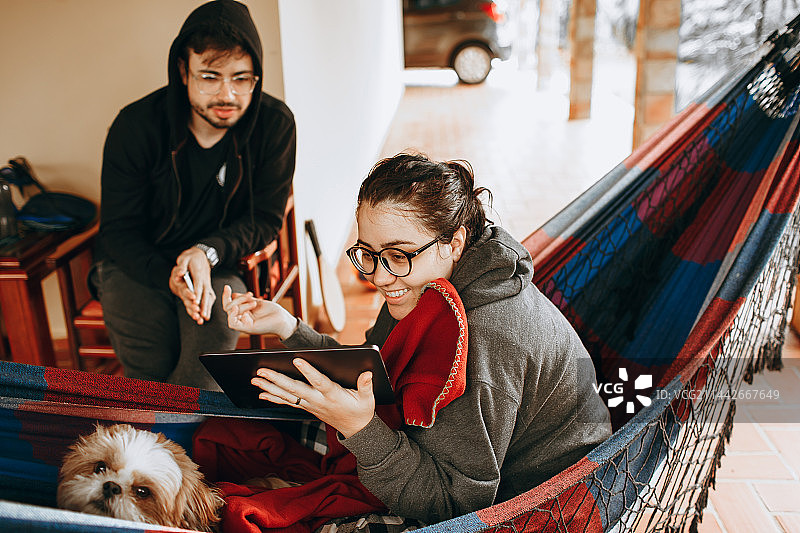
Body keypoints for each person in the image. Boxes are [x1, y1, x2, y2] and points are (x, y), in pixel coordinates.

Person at [221, 153, 611, 527]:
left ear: (454, 242)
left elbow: (456, 507)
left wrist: (361, 429)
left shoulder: (486, 341)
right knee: (225, 438)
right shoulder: (420, 288)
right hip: (461, 464)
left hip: (538, 504)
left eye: (398, 254)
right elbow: (372, 368)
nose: (379, 277)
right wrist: (290, 328)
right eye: (369, 254)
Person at [93, 0, 295, 389]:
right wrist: (168, 274)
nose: (227, 95)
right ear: (183, 71)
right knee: (149, 374)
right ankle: (170, 430)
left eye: (241, 78)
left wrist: (207, 251)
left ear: (257, 77)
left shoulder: (275, 124)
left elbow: (265, 220)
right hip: (137, 264)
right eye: (210, 77)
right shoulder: (136, 126)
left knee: (205, 370)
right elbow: (119, 231)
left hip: (220, 263)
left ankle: (175, 435)